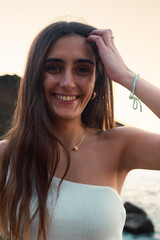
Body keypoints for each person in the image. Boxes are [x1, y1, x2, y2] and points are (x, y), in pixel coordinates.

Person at [0, 20, 160, 240]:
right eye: (54, 67)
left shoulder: (121, 145)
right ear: (36, 76)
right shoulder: (7, 157)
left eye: (83, 69)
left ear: (97, 82)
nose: (68, 82)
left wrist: (124, 74)